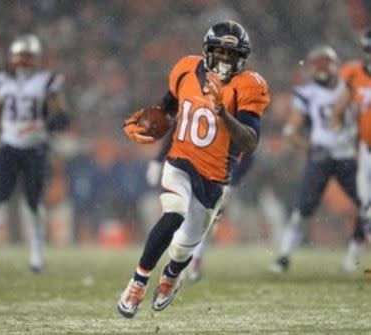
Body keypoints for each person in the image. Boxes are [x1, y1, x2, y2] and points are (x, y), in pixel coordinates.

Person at [117, 21, 270, 318]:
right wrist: (153, 121)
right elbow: (168, 107)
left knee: (183, 248)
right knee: (173, 212)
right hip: (179, 162)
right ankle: (137, 281)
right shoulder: (187, 68)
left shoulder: (249, 86)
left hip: (214, 176)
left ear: (243, 58)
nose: (225, 60)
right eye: (220, 52)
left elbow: (250, 142)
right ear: (207, 51)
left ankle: (171, 275)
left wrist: (221, 112)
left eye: (232, 54)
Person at [0, 34, 68, 273]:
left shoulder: (46, 82)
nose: (23, 61)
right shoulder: (1, 80)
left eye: (28, 56)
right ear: (12, 58)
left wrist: (56, 121)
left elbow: (59, 113)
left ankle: (37, 257)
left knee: (34, 204)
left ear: (36, 59)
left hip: (35, 149)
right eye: (20, 56)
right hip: (9, 147)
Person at [270, 45, 367, 274]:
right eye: (318, 64)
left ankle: (352, 258)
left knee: (366, 206)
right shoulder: (307, 93)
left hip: (348, 156)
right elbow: (290, 132)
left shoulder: (350, 85)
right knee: (303, 209)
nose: (323, 68)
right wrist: (311, 148)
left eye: (327, 63)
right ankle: (283, 256)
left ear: (336, 65)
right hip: (321, 157)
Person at [146, 126, 255, 282]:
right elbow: (177, 128)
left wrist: (232, 181)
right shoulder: (193, 108)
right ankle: (177, 262)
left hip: (216, 173)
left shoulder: (233, 114)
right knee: (177, 214)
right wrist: (158, 159)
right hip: (187, 166)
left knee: (205, 217)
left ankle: (193, 258)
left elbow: (248, 150)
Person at [332, 29, 371, 258]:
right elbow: (338, 111)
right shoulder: (354, 74)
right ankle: (353, 255)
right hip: (365, 151)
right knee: (365, 205)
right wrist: (342, 133)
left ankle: (353, 255)